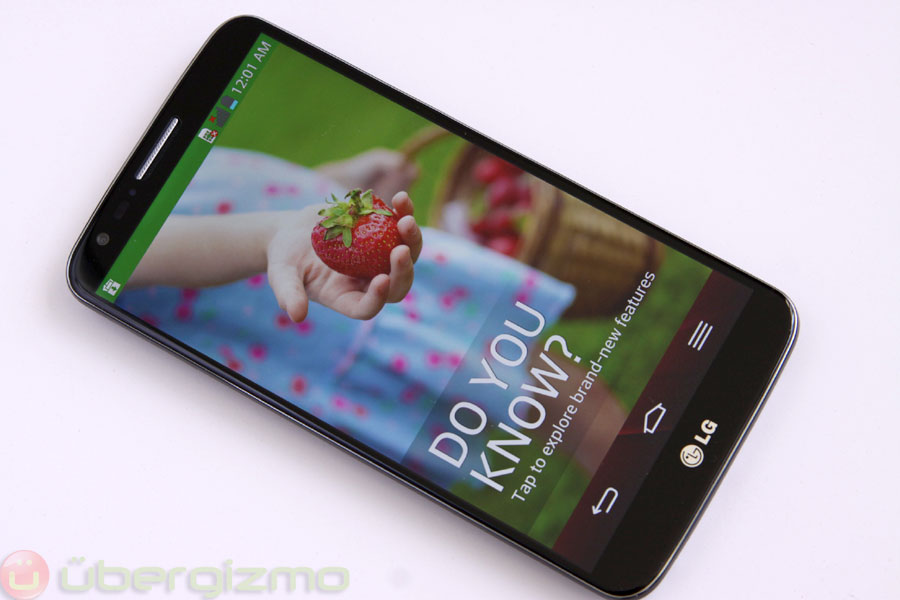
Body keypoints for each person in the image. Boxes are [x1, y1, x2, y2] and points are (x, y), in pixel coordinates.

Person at [117, 146, 575, 460]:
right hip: (281, 315)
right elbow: (129, 250)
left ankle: (605, 451)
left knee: (513, 355)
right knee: (483, 374)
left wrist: (332, 179)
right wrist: (270, 237)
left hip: (299, 222)